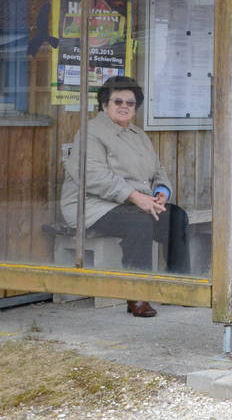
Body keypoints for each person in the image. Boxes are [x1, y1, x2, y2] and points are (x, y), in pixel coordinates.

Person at [60, 76, 190, 318]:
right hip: (91, 205)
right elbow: (93, 175)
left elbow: (157, 170)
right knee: (139, 223)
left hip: (133, 202)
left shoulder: (138, 134)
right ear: (104, 104)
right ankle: (138, 296)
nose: (124, 106)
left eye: (130, 103)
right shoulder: (91, 132)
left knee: (176, 217)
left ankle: (179, 286)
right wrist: (134, 196)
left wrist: (161, 192)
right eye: (117, 101)